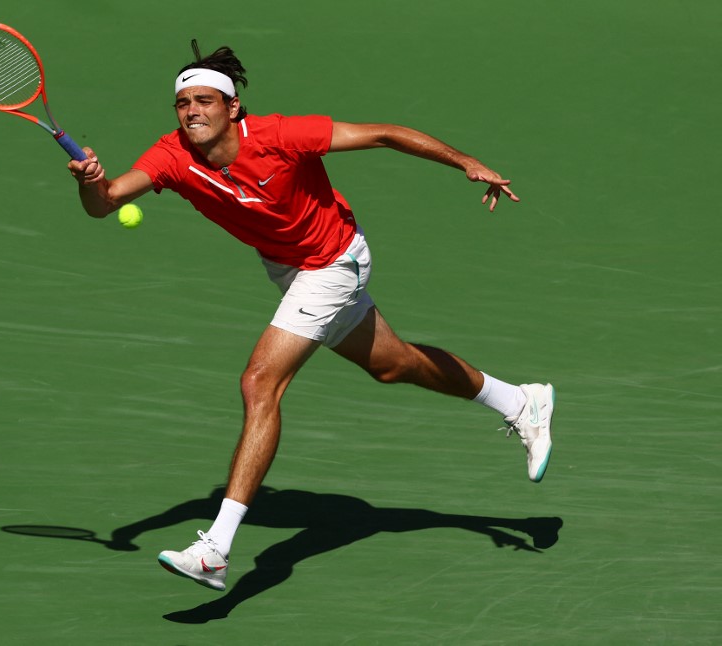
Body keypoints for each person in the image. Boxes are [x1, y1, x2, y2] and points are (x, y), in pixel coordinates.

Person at [67, 41, 554, 593]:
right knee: (394, 366)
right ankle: (520, 400)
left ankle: (216, 549)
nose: (192, 111)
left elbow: (385, 134)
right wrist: (89, 182)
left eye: (204, 99)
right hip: (288, 268)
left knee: (260, 382)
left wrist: (466, 162)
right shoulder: (171, 155)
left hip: (334, 260)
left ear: (233, 108)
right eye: (182, 103)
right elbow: (107, 202)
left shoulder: (280, 136)